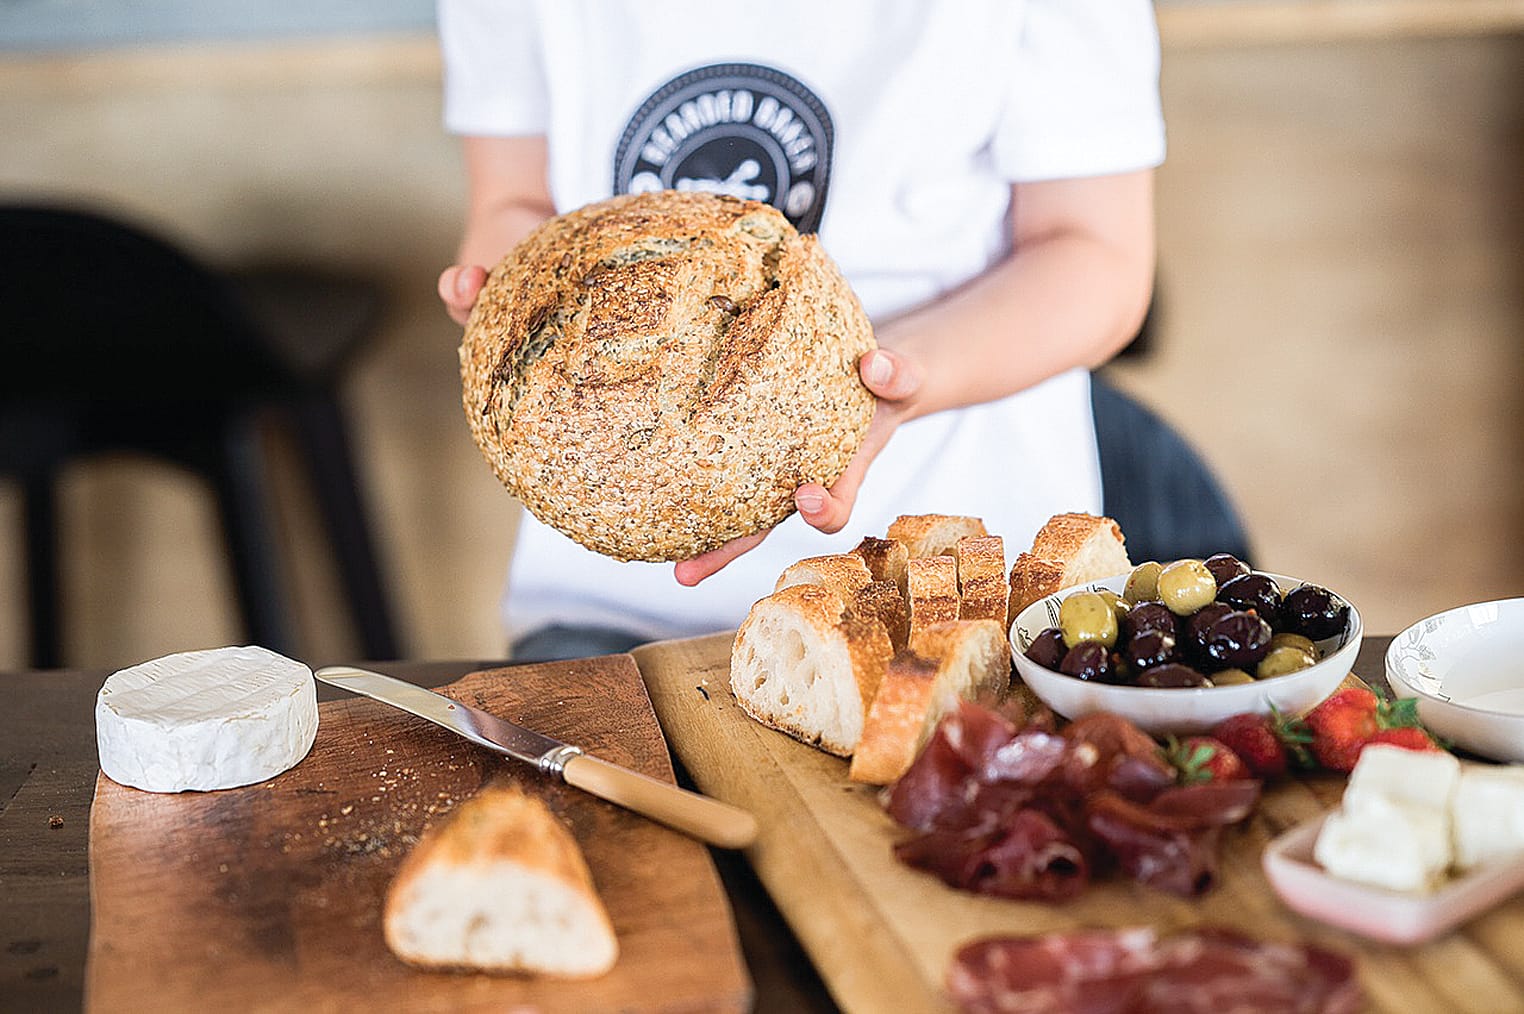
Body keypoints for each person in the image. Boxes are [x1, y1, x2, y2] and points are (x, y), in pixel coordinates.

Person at [435, 0, 1245, 661]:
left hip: (955, 591)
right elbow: (515, 203)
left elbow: (1097, 261)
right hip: (620, 617)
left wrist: (892, 380)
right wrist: (506, 301)